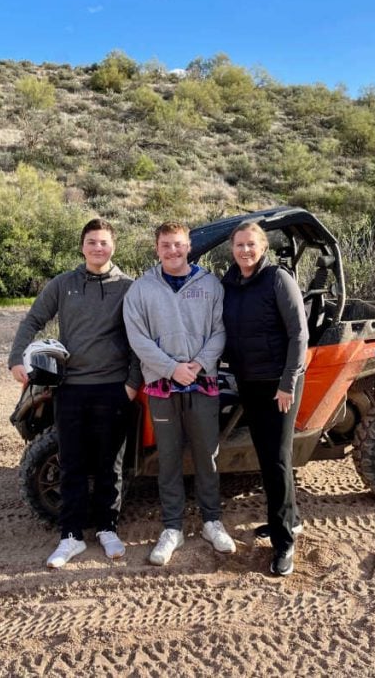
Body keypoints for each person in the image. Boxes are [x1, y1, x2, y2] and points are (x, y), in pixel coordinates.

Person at [8, 218, 141, 569]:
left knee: (110, 464)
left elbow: (143, 337)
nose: (98, 248)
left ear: (114, 247)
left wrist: (132, 383)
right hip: (70, 389)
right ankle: (70, 536)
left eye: (104, 242)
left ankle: (108, 529)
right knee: (72, 464)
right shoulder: (63, 284)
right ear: (82, 246)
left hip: (114, 388)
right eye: (92, 242)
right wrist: (15, 358)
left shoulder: (129, 288)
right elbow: (33, 320)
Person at [123, 222, 235, 566]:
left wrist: (198, 365)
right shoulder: (141, 290)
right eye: (166, 245)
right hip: (161, 387)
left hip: (203, 384)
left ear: (189, 247)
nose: (173, 251)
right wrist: (173, 369)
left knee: (207, 455)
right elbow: (137, 339)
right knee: (168, 459)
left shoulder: (210, 284)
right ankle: (171, 528)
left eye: (178, 245)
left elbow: (220, 332)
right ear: (157, 249)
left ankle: (211, 522)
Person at [221, 221, 308, 576]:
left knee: (277, 460)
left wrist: (288, 382)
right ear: (232, 248)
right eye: (239, 244)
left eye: (251, 244)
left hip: (279, 383)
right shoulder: (229, 283)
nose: (245, 250)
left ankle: (284, 542)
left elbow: (298, 334)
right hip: (249, 380)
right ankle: (289, 518)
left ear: (263, 248)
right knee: (268, 456)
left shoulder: (277, 279)